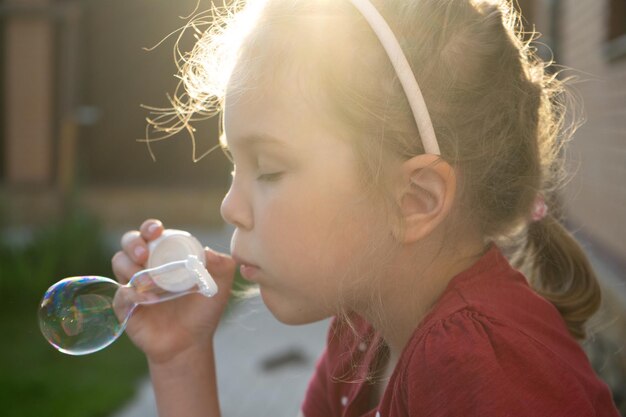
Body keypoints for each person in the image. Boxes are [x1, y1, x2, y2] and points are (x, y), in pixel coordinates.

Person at [111, 0, 621, 416]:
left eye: (267, 168)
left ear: (415, 201)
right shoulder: (362, 333)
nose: (229, 207)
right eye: (232, 166)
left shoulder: (481, 371)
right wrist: (181, 359)